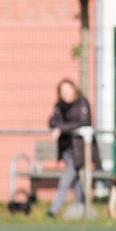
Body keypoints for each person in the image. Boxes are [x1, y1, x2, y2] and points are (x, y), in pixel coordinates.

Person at [48, 78, 100, 218]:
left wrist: (61, 128)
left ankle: (53, 211)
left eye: (67, 90)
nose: (65, 94)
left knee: (65, 181)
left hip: (81, 150)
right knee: (76, 182)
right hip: (67, 151)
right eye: (62, 91)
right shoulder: (60, 106)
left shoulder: (82, 103)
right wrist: (57, 118)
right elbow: (52, 122)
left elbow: (83, 122)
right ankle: (83, 207)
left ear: (74, 89)